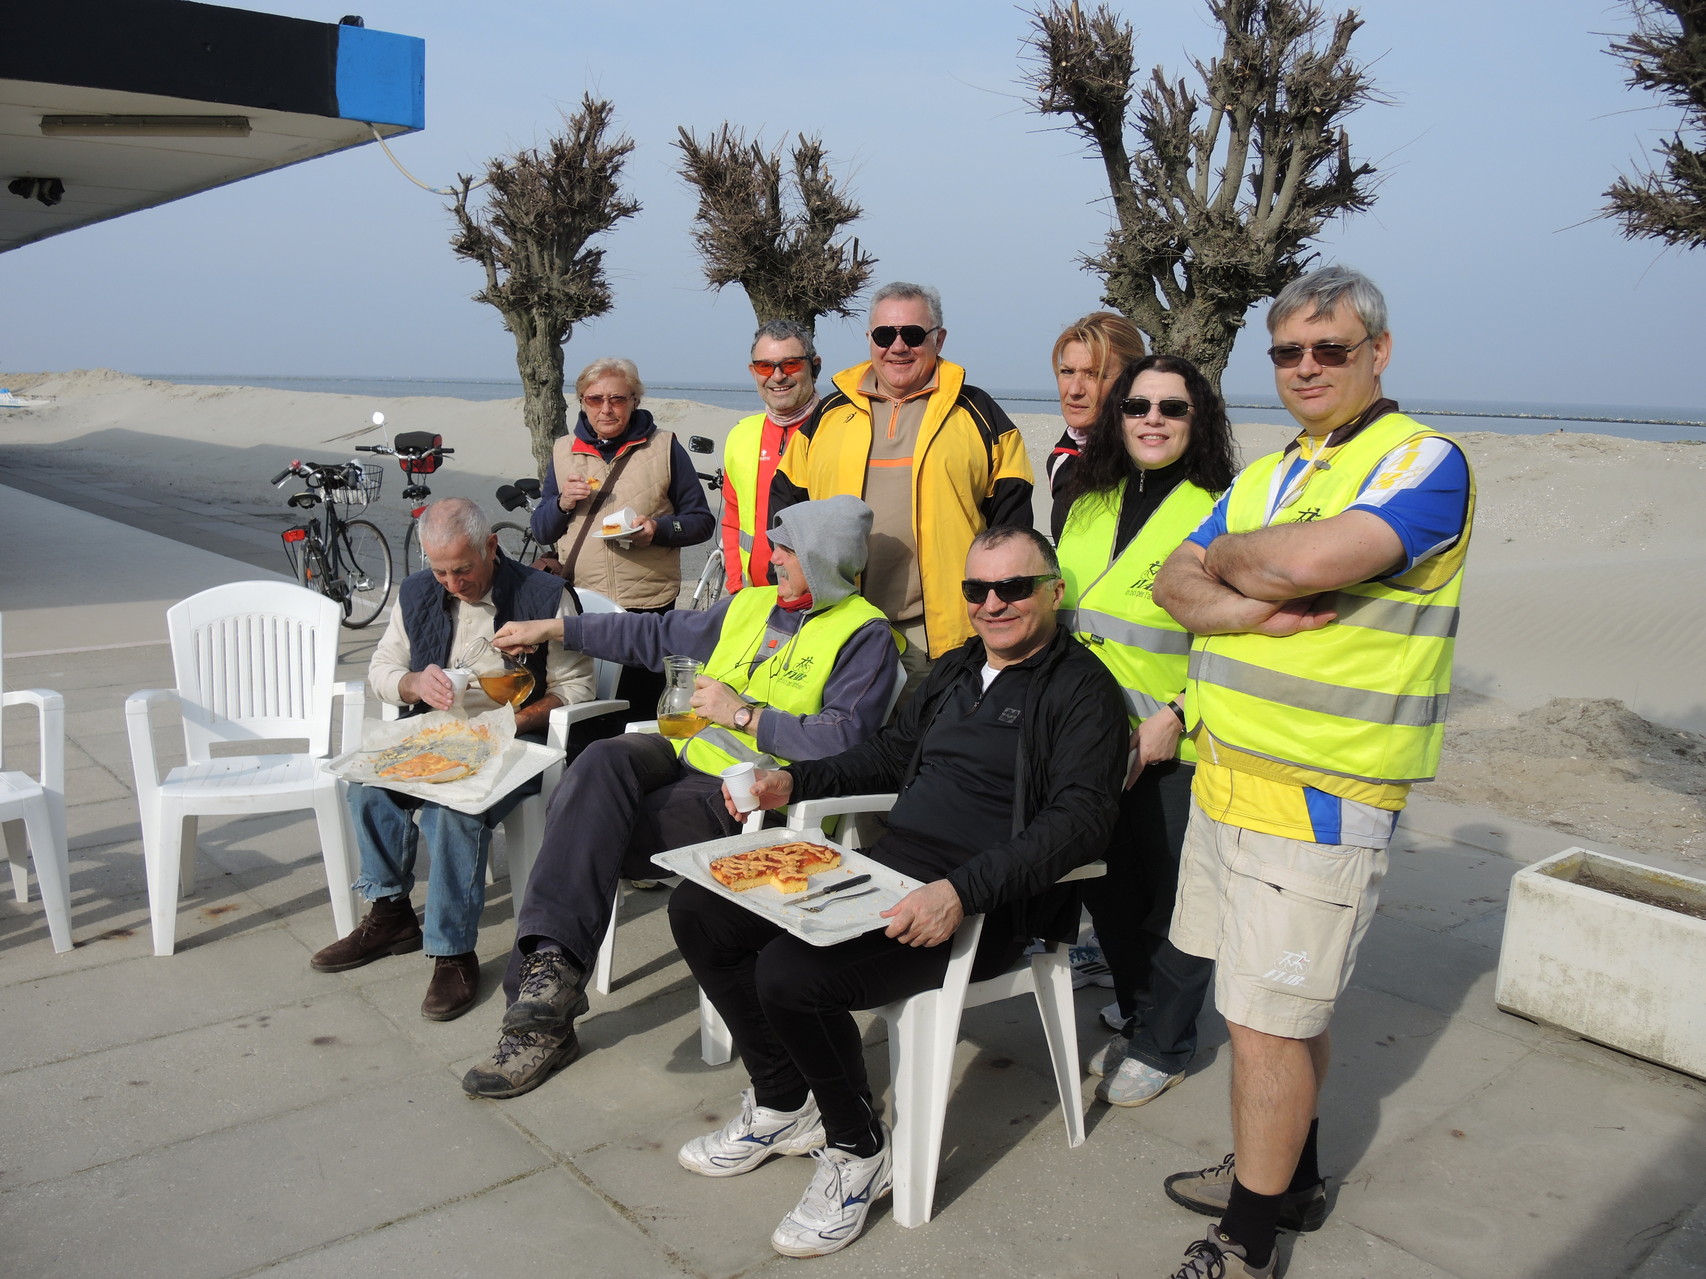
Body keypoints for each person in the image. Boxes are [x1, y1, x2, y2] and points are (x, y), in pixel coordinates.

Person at [668, 525, 1127, 1259]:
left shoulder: (1083, 692)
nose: (993, 603)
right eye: (977, 589)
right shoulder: (955, 669)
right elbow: (888, 752)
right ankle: (786, 1100)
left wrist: (962, 891)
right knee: (699, 909)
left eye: (1014, 587)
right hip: (890, 868)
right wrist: (798, 779)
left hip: (982, 905)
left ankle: (857, 1148)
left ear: (1054, 591)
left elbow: (1081, 823)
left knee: (788, 976)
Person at [1151, 266, 1475, 1279]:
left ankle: (1248, 1239)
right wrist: (1249, 588)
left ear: (1376, 352)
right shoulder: (1267, 472)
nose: (1303, 367)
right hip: (1226, 776)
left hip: (1320, 796)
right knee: (1281, 1013)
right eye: (1285, 351)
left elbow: (1293, 564)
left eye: (1326, 348)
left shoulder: (1422, 461)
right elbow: (1174, 581)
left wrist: (1239, 566)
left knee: (1263, 1022)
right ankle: (1285, 1174)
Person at [460, 496, 899, 1098]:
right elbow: (655, 633)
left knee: (581, 827)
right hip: (681, 750)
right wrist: (556, 627)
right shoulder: (751, 604)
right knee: (601, 759)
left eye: (789, 550)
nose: (773, 558)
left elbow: (844, 738)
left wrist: (745, 715)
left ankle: (543, 1002)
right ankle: (551, 982)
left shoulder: (864, 635)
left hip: (750, 791)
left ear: (824, 560)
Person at [309, 499, 594, 1021]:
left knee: (451, 812)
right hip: (435, 738)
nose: (452, 583)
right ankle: (391, 912)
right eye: (439, 570)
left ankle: (452, 950)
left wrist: (511, 720)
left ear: (491, 546)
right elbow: (382, 665)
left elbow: (577, 687)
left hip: (514, 742)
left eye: (462, 570)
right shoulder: (419, 591)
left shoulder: (543, 596)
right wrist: (413, 682)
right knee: (367, 790)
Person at [1056, 354, 1237, 1108]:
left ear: (1198, 422)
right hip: (1089, 739)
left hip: (1169, 744)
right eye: (1137, 406)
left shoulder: (1220, 511)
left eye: (1172, 407)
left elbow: (1235, 640)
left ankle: (1166, 1041)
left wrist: (1177, 716)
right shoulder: (1088, 501)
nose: (1152, 420)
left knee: (1171, 900)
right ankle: (1137, 1006)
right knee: (1110, 889)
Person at [770, 281, 1034, 699]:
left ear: (938, 339)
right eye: (884, 335)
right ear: (870, 339)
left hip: (938, 640)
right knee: (840, 752)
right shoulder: (828, 414)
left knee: (929, 755)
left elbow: (1013, 527)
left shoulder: (980, 415)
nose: (897, 347)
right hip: (841, 629)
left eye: (912, 335)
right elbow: (786, 507)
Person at [531, 357, 715, 731]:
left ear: (634, 400)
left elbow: (701, 522)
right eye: (595, 399)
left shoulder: (664, 447)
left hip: (648, 608)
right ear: (581, 402)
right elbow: (542, 531)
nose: (606, 408)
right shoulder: (563, 451)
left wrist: (657, 530)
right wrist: (562, 503)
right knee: (588, 713)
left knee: (641, 718)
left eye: (617, 398)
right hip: (584, 605)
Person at [722, 319, 822, 595]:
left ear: (814, 366)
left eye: (790, 364)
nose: (777, 376)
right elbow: (732, 519)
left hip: (818, 601)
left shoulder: (838, 430)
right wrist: (735, 587)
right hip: (753, 595)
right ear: (753, 371)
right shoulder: (741, 436)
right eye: (765, 366)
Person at [1045, 311, 1147, 541]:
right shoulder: (1062, 459)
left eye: (1093, 374)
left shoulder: (1149, 461)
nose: (1074, 390)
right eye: (1067, 372)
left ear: (1131, 380)